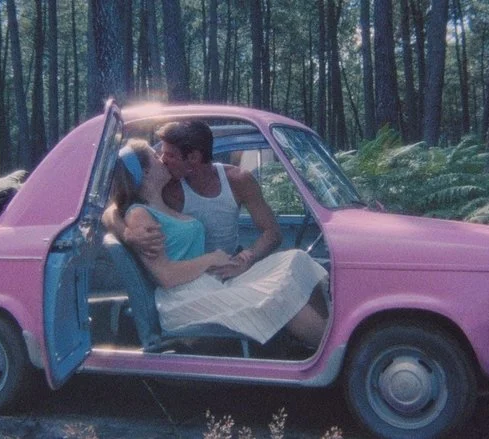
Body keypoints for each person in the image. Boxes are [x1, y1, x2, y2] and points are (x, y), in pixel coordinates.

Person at [110, 140, 328, 347]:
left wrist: (241, 258)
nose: (163, 160)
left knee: (297, 259)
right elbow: (165, 276)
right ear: (146, 172)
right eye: (156, 157)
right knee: (279, 299)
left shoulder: (164, 198)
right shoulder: (139, 215)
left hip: (208, 283)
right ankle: (332, 352)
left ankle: (322, 340)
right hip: (182, 300)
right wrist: (211, 259)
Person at [103, 120, 282, 280]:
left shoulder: (238, 180)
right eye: (160, 155)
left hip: (228, 269)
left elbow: (272, 232)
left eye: (170, 155)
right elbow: (113, 208)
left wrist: (247, 258)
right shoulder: (165, 185)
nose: (163, 160)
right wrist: (127, 233)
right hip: (189, 279)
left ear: (194, 157)